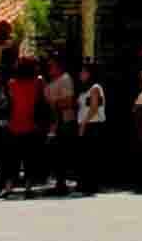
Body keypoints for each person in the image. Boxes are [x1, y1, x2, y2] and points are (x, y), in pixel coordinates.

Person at [1, 58, 46, 197]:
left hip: (14, 124)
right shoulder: (38, 82)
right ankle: (28, 188)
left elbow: (10, 101)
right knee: (30, 159)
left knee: (10, 159)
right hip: (31, 124)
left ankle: (8, 188)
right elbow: (41, 98)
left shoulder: (11, 83)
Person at [40, 54, 76, 195]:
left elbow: (68, 101)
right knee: (54, 154)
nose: (49, 67)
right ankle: (58, 182)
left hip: (63, 121)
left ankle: (61, 184)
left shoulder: (65, 79)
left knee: (61, 153)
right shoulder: (52, 81)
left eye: (52, 64)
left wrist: (53, 104)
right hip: (54, 122)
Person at [72, 63, 107, 196]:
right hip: (86, 124)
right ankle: (85, 185)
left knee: (90, 157)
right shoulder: (85, 89)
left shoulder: (95, 88)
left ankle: (89, 187)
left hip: (92, 125)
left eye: (83, 72)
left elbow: (93, 109)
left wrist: (83, 124)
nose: (81, 74)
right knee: (85, 157)